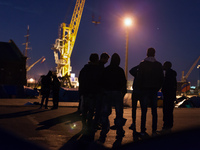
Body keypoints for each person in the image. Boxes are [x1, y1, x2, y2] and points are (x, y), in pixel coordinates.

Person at [98, 53, 127, 143]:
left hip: (107, 93)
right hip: (117, 93)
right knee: (119, 113)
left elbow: (101, 81)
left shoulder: (106, 70)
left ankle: (104, 130)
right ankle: (119, 131)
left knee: (105, 113)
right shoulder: (120, 70)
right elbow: (123, 82)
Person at [137, 48, 164, 136]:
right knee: (154, 111)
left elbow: (139, 77)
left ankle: (142, 130)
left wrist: (140, 88)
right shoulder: (159, 65)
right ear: (154, 54)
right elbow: (161, 78)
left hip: (144, 89)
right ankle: (154, 130)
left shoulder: (142, 64)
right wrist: (157, 88)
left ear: (147, 53)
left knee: (144, 111)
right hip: (154, 90)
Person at [78, 53, 101, 134]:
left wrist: (81, 92)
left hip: (85, 93)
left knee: (84, 111)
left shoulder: (84, 69)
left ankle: (83, 126)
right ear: (96, 60)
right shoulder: (97, 70)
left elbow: (80, 80)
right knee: (91, 111)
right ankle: (89, 126)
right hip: (93, 93)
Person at [94, 52, 110, 130]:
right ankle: (96, 123)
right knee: (99, 109)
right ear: (103, 58)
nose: (107, 61)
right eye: (107, 59)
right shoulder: (101, 67)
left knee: (97, 109)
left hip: (96, 90)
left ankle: (96, 123)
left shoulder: (98, 66)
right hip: (99, 91)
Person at [161, 61, 177, 133]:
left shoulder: (168, 75)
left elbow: (166, 85)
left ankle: (166, 126)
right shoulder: (172, 74)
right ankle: (169, 126)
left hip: (167, 95)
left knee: (166, 111)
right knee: (170, 111)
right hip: (171, 96)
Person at [129, 65, 141, 132]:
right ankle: (142, 126)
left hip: (135, 92)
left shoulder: (137, 73)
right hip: (142, 92)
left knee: (134, 109)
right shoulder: (145, 74)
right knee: (143, 109)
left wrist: (137, 66)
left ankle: (133, 122)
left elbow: (130, 70)